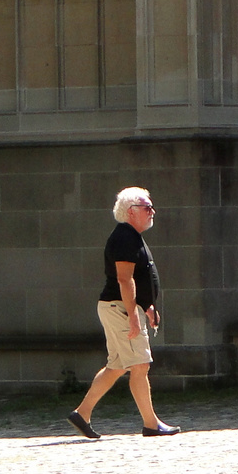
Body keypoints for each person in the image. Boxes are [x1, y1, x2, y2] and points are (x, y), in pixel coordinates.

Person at [67, 186, 179, 438]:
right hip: (120, 308)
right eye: (147, 207)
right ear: (131, 211)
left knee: (117, 366)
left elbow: (139, 278)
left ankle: (81, 413)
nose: (153, 212)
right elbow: (124, 279)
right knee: (140, 364)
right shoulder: (124, 238)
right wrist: (133, 316)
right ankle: (151, 424)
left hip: (121, 307)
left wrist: (147, 306)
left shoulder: (131, 236)